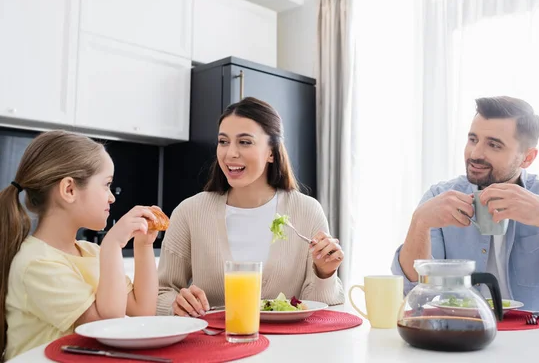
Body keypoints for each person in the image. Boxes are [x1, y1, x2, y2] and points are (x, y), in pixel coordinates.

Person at [392, 96, 539, 318]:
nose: (475, 154)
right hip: (462, 335)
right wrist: (419, 222)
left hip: (537, 341)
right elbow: (411, 296)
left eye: (494, 145)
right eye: (473, 139)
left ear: (527, 158)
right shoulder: (439, 199)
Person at [157, 97, 345, 316]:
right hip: (215, 345)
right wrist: (176, 305)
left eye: (245, 142)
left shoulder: (307, 212)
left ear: (272, 152)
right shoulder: (190, 213)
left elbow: (317, 309)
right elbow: (162, 292)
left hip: (289, 347)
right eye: (223, 141)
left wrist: (324, 273)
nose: (230, 153)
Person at [0, 130, 160, 360]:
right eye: (106, 185)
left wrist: (143, 246)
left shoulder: (90, 252)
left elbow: (143, 311)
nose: (112, 197)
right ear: (69, 190)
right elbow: (107, 329)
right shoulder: (37, 265)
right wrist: (112, 244)